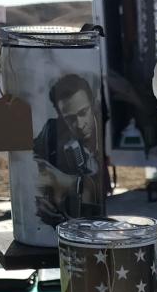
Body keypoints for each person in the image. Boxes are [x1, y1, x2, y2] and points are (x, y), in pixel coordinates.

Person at [33, 73, 111, 226]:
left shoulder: (108, 128)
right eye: (70, 118)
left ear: (93, 104)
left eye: (83, 113)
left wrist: (70, 182)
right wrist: (39, 196)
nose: (80, 124)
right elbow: (30, 160)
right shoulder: (52, 130)